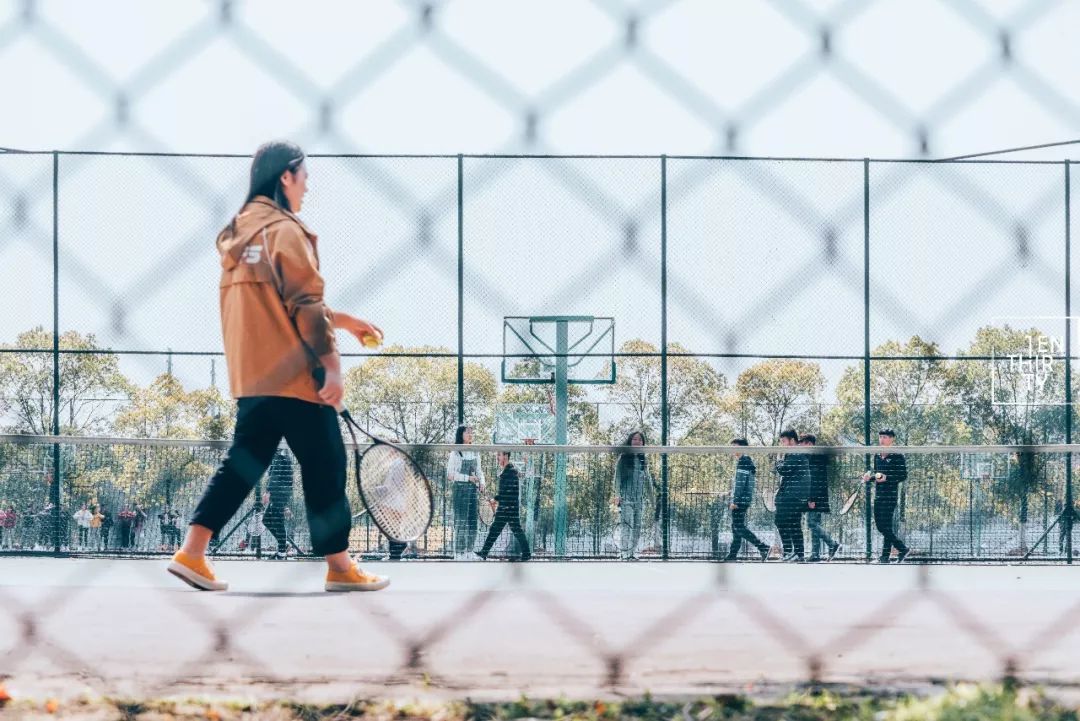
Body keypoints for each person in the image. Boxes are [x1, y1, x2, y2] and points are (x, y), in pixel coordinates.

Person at [167, 140, 388, 593]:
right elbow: (304, 304)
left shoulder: (236, 238)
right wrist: (332, 366)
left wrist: (342, 320)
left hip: (252, 377)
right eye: (305, 177)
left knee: (243, 464)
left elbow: (270, 307)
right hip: (294, 378)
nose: (307, 188)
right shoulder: (286, 232)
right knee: (326, 462)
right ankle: (341, 566)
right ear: (286, 175)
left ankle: (192, 551)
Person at [863, 428, 910, 564]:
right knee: (881, 526)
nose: (882, 439)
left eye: (885, 437)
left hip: (890, 496)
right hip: (878, 495)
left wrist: (887, 478)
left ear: (891, 439)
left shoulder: (897, 456)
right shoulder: (877, 455)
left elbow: (902, 475)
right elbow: (877, 475)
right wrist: (869, 478)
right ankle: (901, 549)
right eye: (880, 437)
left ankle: (885, 556)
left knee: (885, 527)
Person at [477, 450, 531, 561]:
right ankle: (484, 552)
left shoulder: (510, 471)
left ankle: (484, 553)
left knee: (508, 530)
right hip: (508, 507)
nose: (497, 457)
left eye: (499, 455)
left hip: (508, 508)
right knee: (498, 530)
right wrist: (496, 499)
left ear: (505, 456)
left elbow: (509, 492)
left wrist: (495, 499)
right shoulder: (508, 471)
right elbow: (506, 492)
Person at [724, 439, 770, 562]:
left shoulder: (743, 461)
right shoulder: (747, 461)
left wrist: (735, 500)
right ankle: (732, 555)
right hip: (744, 499)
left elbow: (740, 484)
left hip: (740, 501)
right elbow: (743, 483)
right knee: (735, 527)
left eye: (735, 446)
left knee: (738, 527)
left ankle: (763, 547)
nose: (732, 450)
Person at [447, 424, 485, 560]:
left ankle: (469, 551)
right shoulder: (456, 452)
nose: (470, 434)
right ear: (461, 434)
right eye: (467, 432)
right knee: (461, 522)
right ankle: (459, 553)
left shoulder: (475, 451)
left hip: (473, 491)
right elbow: (450, 475)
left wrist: (482, 483)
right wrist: (468, 478)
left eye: (471, 432)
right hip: (460, 491)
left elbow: (479, 471)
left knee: (473, 522)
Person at [800, 434, 840, 561]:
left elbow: (814, 480)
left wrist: (811, 499)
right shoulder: (816, 457)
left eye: (803, 443)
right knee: (815, 524)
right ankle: (815, 554)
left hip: (815, 497)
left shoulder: (815, 458)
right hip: (818, 496)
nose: (801, 446)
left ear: (810, 444)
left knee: (811, 524)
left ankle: (833, 544)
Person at [614, 431, 653, 560]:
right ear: (630, 441)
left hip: (639, 501)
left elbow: (648, 480)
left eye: (640, 440)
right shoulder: (623, 458)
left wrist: (653, 500)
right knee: (626, 526)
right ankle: (624, 554)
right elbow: (617, 478)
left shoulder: (643, 460)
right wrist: (617, 495)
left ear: (643, 443)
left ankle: (631, 553)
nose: (637, 441)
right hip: (626, 499)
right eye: (635, 439)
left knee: (637, 527)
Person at [773, 429, 809, 562]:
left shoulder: (795, 453)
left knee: (780, 521)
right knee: (794, 524)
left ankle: (789, 551)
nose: (782, 444)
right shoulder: (797, 453)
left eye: (783, 441)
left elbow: (784, 470)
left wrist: (778, 459)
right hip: (795, 495)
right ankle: (799, 555)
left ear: (792, 440)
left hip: (791, 496)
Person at [263, 450, 295, 559]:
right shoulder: (279, 456)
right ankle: (284, 544)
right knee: (266, 520)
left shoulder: (280, 456)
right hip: (279, 493)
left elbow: (275, 475)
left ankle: (281, 553)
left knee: (278, 522)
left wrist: (268, 491)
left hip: (280, 493)